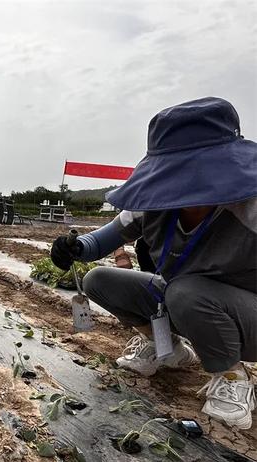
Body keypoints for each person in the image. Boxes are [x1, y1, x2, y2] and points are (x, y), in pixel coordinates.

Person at [51, 97, 256, 430]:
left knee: (186, 292)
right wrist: (73, 248)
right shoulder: (154, 205)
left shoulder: (250, 209)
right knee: (99, 280)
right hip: (185, 299)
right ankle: (166, 348)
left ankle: (233, 376)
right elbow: (99, 242)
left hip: (247, 317)